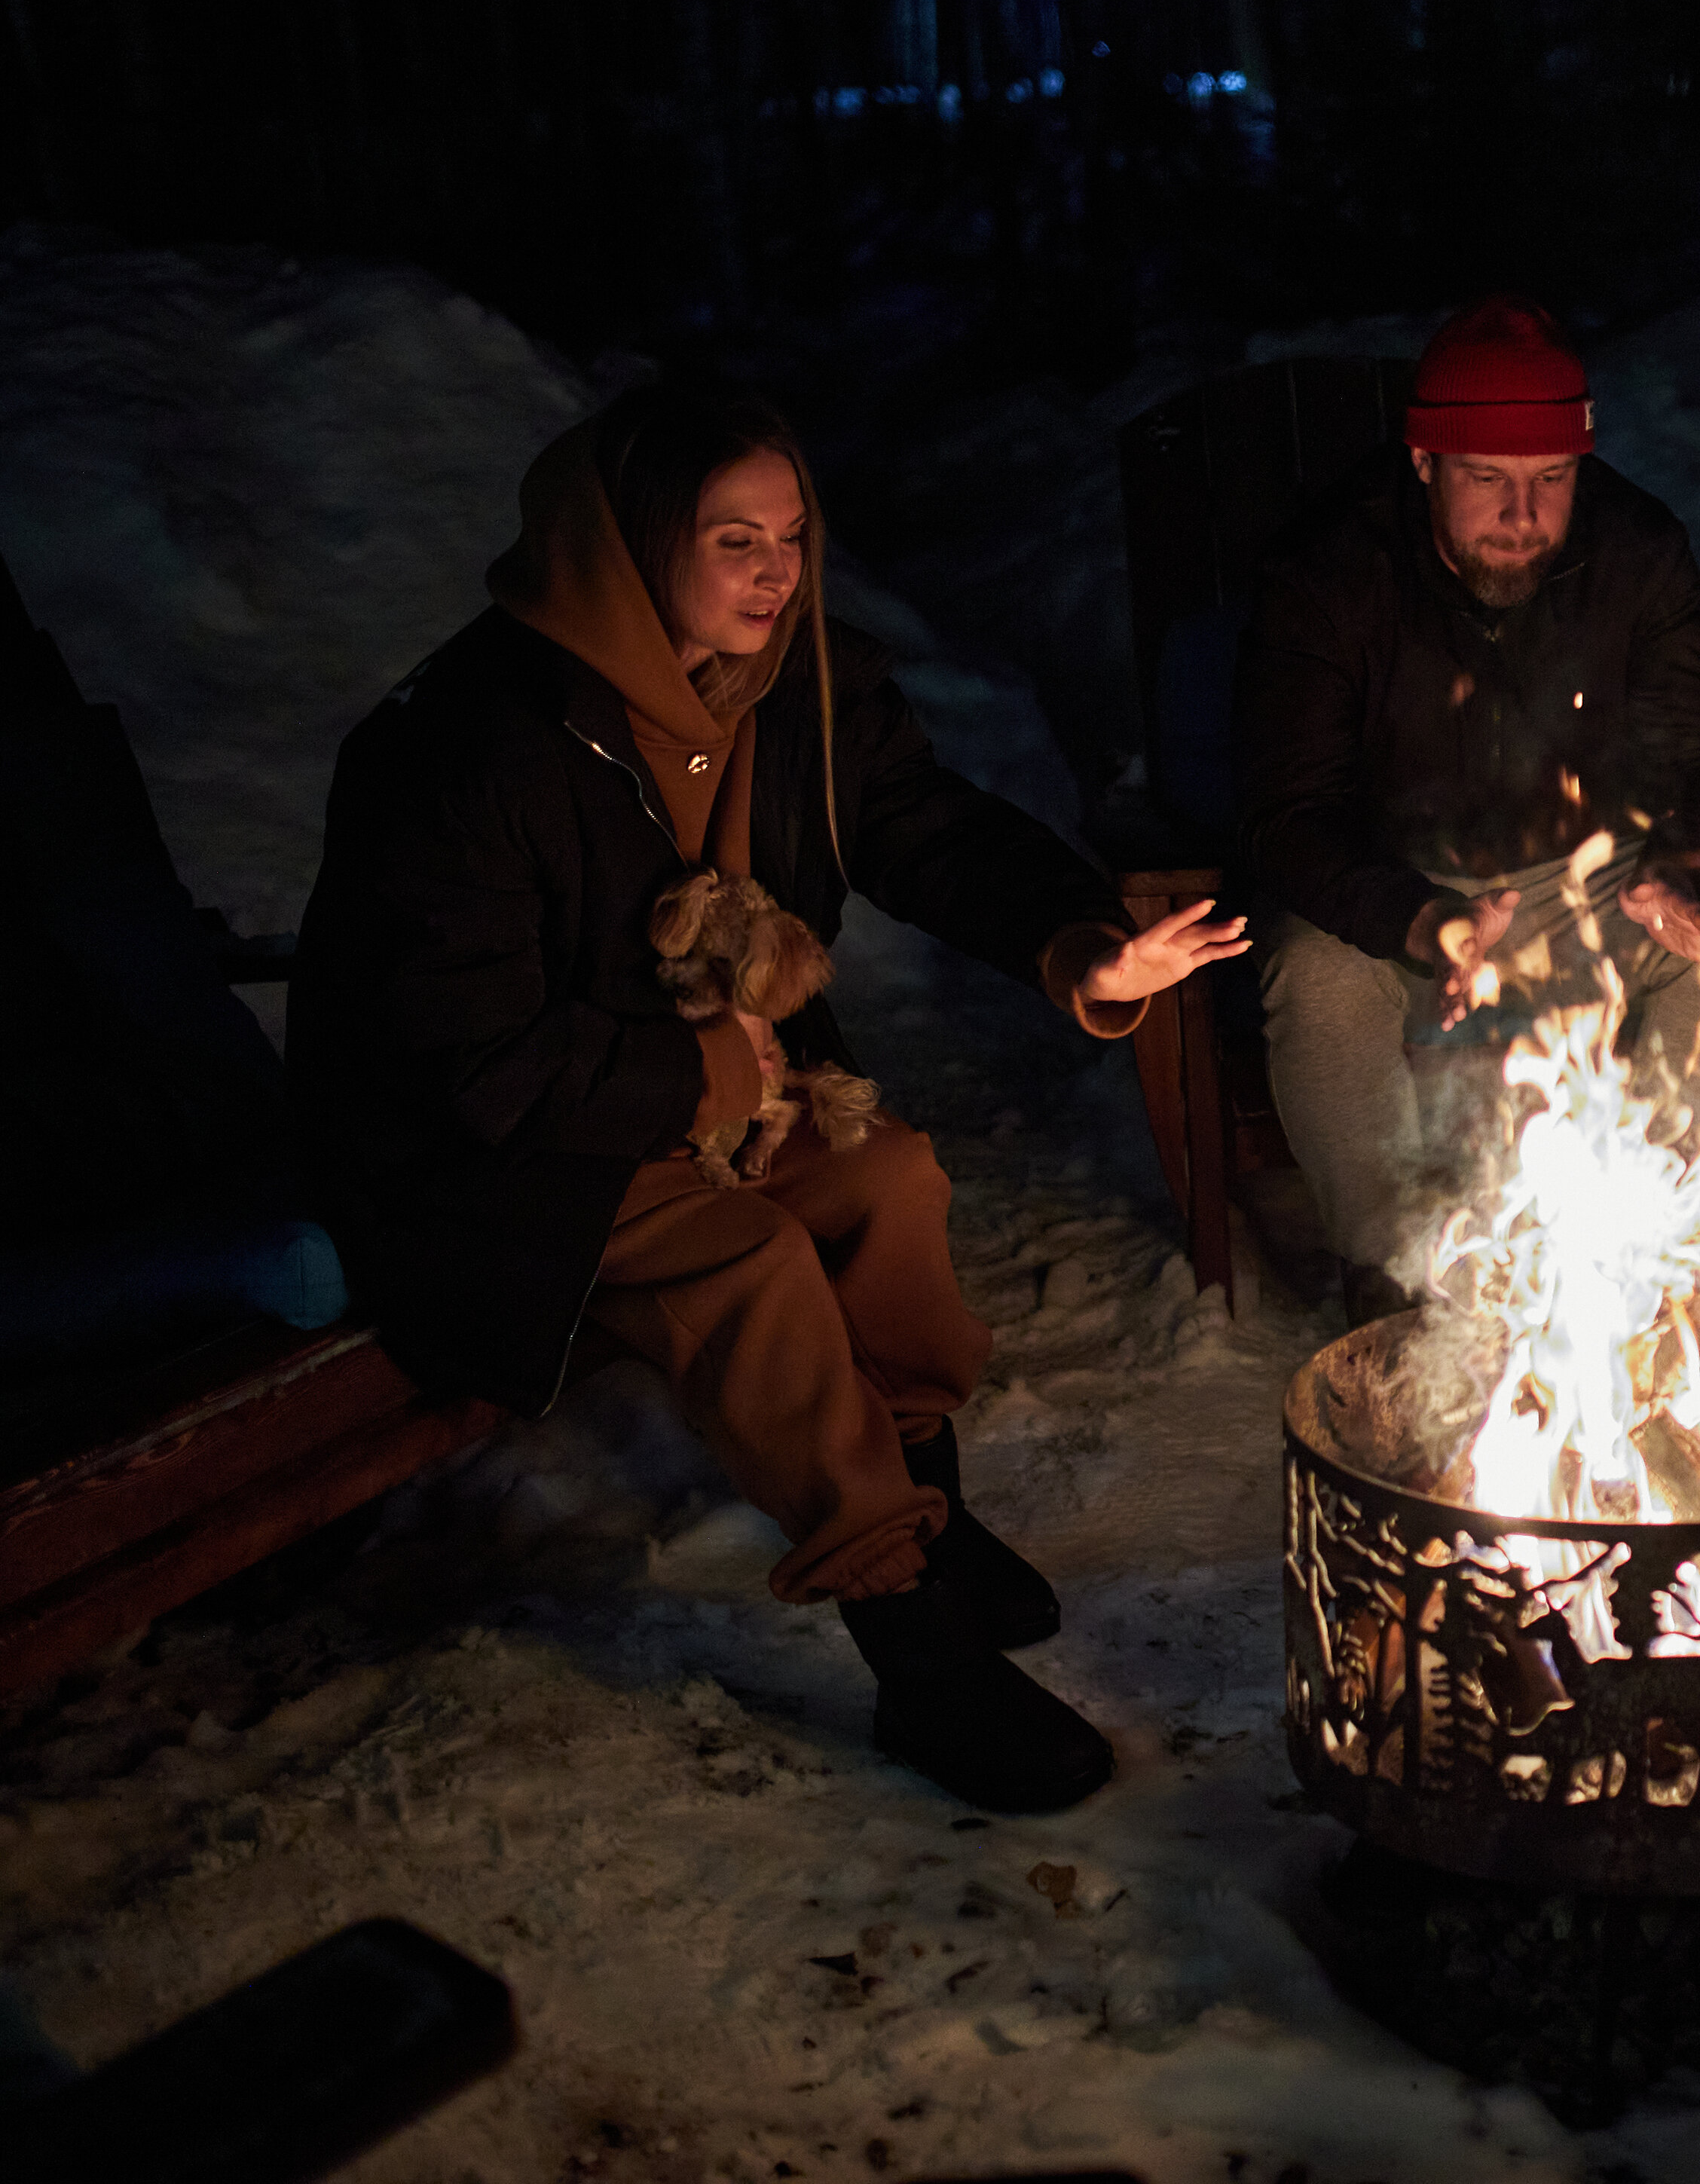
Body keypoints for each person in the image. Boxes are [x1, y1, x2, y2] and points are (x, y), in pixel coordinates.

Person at [292, 386, 1244, 1816]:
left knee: (884, 1185)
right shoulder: (467, 747)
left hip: (712, 1103)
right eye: (733, 539)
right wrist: (713, 1072)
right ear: (624, 549)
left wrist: (1079, 939)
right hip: (513, 1160)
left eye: (792, 537)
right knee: (750, 1271)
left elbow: (929, 831)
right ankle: (912, 1644)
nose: (775, 573)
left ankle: (935, 1514)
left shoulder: (801, 686)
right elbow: (467, 1060)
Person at [1232, 295, 1700, 1311]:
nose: (1523, 519)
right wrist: (1420, 918)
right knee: (1315, 981)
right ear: (1425, 463)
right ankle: (1393, 1281)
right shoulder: (1331, 573)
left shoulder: (1637, 551)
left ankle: (1649, 1243)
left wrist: (1678, 875)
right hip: (1394, 893)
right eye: (1488, 481)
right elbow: (1287, 811)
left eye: (1552, 480)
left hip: (1591, 884)